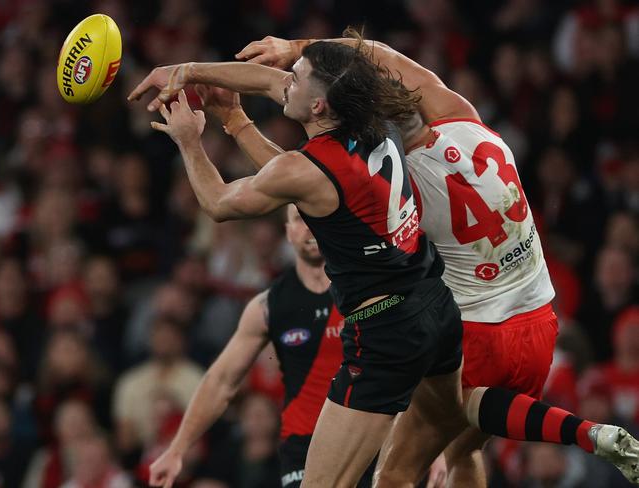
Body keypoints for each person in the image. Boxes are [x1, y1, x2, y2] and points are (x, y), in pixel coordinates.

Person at [230, 33, 639, 486]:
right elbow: (381, 53)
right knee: (464, 451)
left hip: (478, 334)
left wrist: (232, 113)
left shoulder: (388, 181)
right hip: (541, 323)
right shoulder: (468, 120)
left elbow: (298, 186)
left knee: (396, 474)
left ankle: (584, 432)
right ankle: (588, 432)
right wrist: (297, 47)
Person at [129, 41, 466, 487]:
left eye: (297, 77)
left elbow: (219, 202)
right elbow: (300, 170)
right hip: (436, 307)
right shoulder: (374, 121)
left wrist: (190, 141)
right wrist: (186, 71)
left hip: (386, 334)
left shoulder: (305, 168)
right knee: (449, 452)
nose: (285, 80)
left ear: (319, 104)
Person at [149, 205, 378, 487]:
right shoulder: (269, 306)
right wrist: (177, 448)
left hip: (369, 439)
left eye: (316, 220)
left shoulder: (368, 292)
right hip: (302, 449)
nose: (309, 228)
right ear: (288, 233)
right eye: (299, 221)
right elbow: (221, 381)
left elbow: (411, 363)